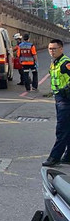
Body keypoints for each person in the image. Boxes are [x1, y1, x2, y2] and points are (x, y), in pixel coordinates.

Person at [42, 39, 70, 167]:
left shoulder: (65, 63)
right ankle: (68, 156)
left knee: (61, 129)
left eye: (54, 48)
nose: (51, 51)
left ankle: (55, 157)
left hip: (66, 100)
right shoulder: (55, 63)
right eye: (50, 49)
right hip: (59, 98)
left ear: (61, 49)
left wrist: (67, 89)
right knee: (67, 129)